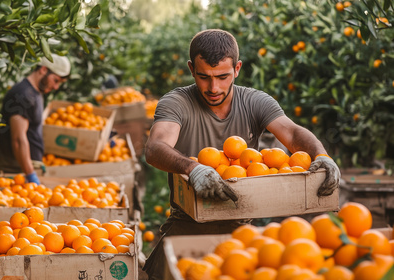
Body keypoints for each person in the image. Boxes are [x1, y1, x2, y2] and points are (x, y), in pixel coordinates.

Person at [143, 29, 340, 279]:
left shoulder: (254, 102)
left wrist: (321, 155)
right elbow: (155, 148)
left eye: (223, 77)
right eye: (204, 77)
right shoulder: (177, 102)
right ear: (192, 69)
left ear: (237, 68)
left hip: (241, 231)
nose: (213, 87)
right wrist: (193, 169)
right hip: (187, 227)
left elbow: (291, 132)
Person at [0, 54, 71, 184]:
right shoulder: (23, 95)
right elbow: (18, 140)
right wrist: (30, 174)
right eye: (56, 80)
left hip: (24, 169)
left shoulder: (35, 93)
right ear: (43, 70)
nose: (56, 87)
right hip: (15, 172)